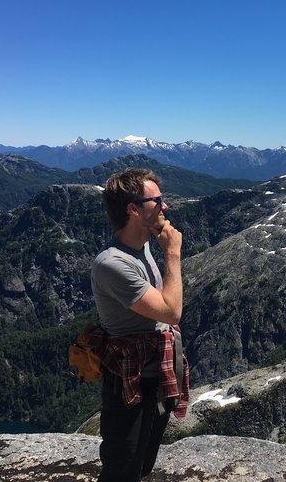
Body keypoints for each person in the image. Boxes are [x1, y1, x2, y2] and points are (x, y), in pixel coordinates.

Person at [91, 168, 189, 482]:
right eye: (156, 200)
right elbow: (171, 312)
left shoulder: (144, 244)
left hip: (155, 373)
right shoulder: (113, 263)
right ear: (133, 210)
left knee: (144, 463)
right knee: (122, 469)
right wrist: (173, 252)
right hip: (129, 383)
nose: (165, 207)